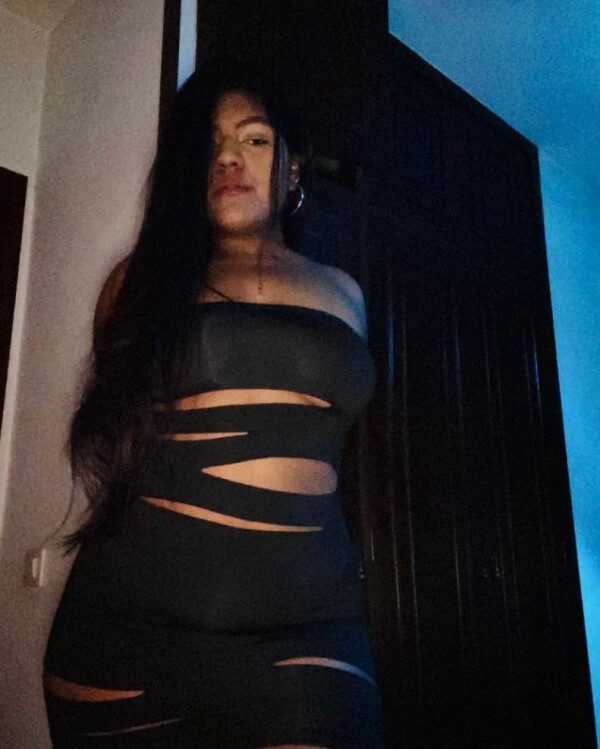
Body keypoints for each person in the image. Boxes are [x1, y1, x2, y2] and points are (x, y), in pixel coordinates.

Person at [43, 57, 383, 748]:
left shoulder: (344, 292)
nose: (228, 157)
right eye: (210, 144)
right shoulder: (138, 283)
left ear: (292, 168)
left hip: (306, 633)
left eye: (254, 138)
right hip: (121, 641)